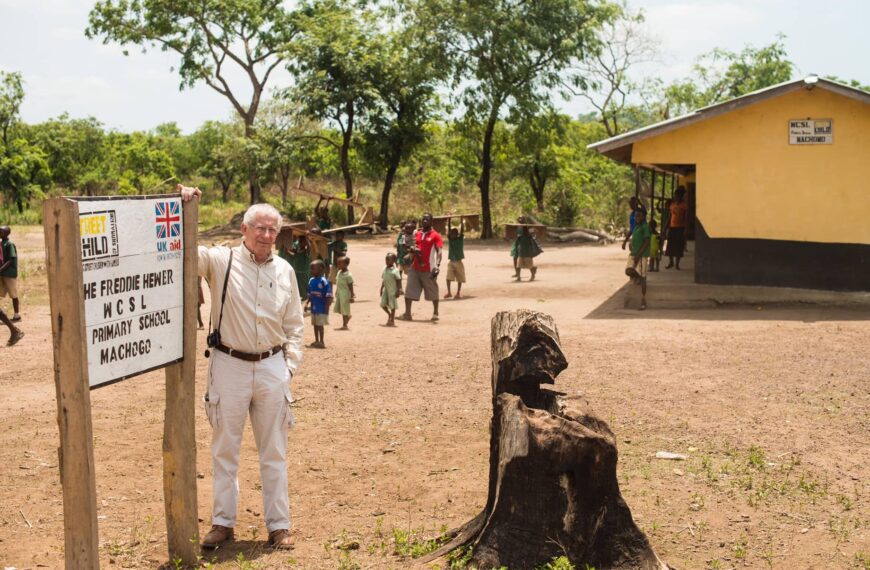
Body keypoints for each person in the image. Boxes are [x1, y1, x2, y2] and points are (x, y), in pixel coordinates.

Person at [179, 185, 303, 551]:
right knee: (225, 450)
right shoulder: (221, 261)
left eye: (272, 230)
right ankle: (223, 523)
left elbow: (295, 324)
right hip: (228, 364)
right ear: (244, 230)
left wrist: (288, 367)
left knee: (274, 451)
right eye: (259, 228)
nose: (266, 236)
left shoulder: (284, 270)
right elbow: (184, 251)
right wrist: (183, 205)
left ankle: (279, 525)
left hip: (272, 367)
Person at [401, 213, 442, 322]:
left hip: (429, 268)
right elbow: (412, 246)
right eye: (423, 219)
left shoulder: (435, 235)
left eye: (427, 219)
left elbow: (439, 251)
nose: (424, 221)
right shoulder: (417, 233)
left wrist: (437, 265)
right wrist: (410, 252)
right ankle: (407, 314)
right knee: (409, 290)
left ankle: (435, 312)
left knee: (433, 291)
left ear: (431, 221)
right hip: (415, 267)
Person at [625, 208, 652, 310]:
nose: (637, 218)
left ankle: (643, 300)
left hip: (641, 256)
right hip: (634, 254)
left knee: (643, 276)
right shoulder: (636, 226)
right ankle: (638, 277)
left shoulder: (645, 227)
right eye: (636, 216)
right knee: (628, 271)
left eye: (639, 216)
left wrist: (638, 255)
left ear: (644, 217)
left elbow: (646, 242)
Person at [305, 259, 332, 348]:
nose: (311, 270)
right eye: (311, 268)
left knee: (320, 325)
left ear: (321, 269)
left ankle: (322, 341)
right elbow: (309, 294)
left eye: (313, 268)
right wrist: (307, 303)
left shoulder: (324, 281)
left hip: (321, 307)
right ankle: (316, 340)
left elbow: (329, 296)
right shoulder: (311, 280)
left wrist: (327, 307)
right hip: (314, 307)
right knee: (315, 324)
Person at [279, 234, 311, 303]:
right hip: (296, 272)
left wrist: (307, 238)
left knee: (304, 289)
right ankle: (300, 302)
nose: (300, 243)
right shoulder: (296, 250)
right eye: (299, 241)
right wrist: (285, 246)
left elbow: (309, 247)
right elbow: (289, 251)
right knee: (297, 288)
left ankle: (306, 301)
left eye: (302, 241)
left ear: (305, 242)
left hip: (303, 273)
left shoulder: (306, 251)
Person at [0, 226, 21, 322]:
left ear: (6, 233)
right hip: (2, 273)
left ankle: (17, 315)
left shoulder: (10, 244)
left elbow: (11, 260)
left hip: (9, 273)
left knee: (13, 294)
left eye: (1, 231)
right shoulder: (1, 243)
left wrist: (1, 269)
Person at [665, 187, 688, 270]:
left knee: (678, 246)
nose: (676, 197)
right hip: (672, 227)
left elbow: (686, 217)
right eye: (675, 195)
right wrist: (666, 227)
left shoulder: (684, 205)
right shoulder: (672, 205)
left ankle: (677, 264)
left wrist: (685, 229)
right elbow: (669, 216)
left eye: (677, 195)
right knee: (670, 246)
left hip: (680, 228)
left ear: (680, 196)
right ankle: (671, 262)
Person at [444, 219, 466, 299]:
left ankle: (458, 292)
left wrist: (461, 220)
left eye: (454, 233)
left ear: (457, 234)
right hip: (451, 262)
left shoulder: (460, 240)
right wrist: (449, 220)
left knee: (460, 278)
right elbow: (449, 230)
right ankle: (449, 292)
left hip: (458, 261)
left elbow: (462, 231)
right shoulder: (450, 240)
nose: (452, 235)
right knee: (448, 277)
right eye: (451, 233)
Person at [380, 253, 402, 326]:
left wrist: (398, 290)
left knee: (392, 306)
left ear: (393, 261)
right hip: (386, 289)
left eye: (389, 260)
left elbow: (399, 280)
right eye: (386, 259)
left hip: (392, 290)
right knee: (383, 304)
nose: (387, 261)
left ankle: (392, 320)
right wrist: (381, 288)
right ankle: (389, 315)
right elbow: (384, 279)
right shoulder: (384, 268)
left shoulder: (395, 270)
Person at [333, 256, 355, 330]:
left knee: (344, 309)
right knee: (342, 309)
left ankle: (345, 325)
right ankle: (347, 318)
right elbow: (338, 283)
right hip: (340, 294)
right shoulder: (339, 272)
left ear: (346, 264)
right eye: (338, 263)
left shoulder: (348, 275)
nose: (338, 265)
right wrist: (336, 291)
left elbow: (350, 286)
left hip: (345, 295)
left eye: (340, 264)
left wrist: (352, 295)